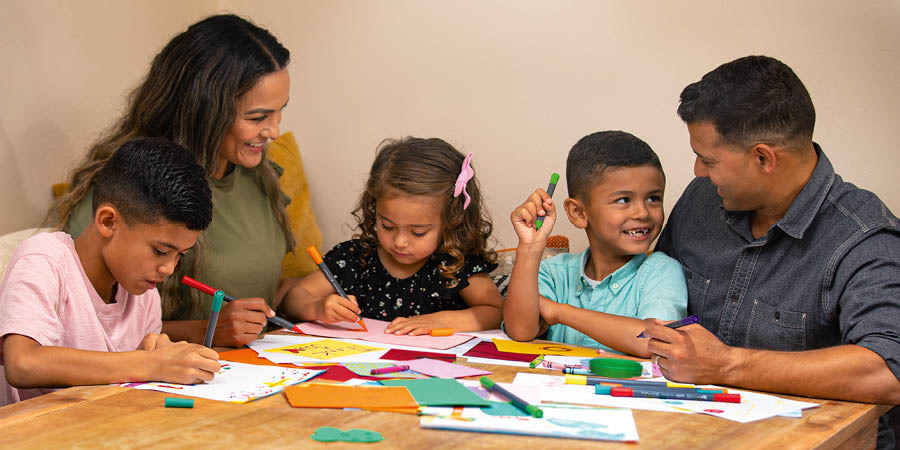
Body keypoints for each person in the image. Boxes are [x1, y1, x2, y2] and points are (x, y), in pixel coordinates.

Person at [649, 55, 900, 448]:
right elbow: (648, 288)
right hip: (686, 432)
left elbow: (888, 372)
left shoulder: (864, 237)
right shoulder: (702, 200)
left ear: (764, 158)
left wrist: (727, 364)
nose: (697, 171)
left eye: (709, 159)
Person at [50, 14, 296, 347]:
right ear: (205, 110)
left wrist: (306, 299)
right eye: (258, 117)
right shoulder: (130, 189)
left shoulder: (260, 176)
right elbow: (90, 329)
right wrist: (206, 330)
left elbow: (263, 288)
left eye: (279, 111)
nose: (274, 131)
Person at [0, 138, 220, 406]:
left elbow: (124, 376)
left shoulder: (144, 291)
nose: (169, 269)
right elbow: (23, 363)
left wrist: (151, 354)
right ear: (108, 221)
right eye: (160, 251)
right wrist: (148, 363)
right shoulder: (45, 259)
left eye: (180, 256)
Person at [281, 137, 503, 335]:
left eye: (418, 232)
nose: (400, 242)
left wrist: (440, 320)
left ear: (451, 224)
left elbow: (496, 311)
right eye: (387, 226)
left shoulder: (455, 263)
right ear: (374, 209)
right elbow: (295, 297)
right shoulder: (354, 257)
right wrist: (318, 307)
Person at [504, 131, 687, 356]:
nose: (642, 212)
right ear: (578, 212)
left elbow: (655, 341)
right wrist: (529, 248)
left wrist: (560, 312)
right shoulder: (554, 272)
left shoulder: (661, 270)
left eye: (653, 198)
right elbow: (520, 331)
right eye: (623, 200)